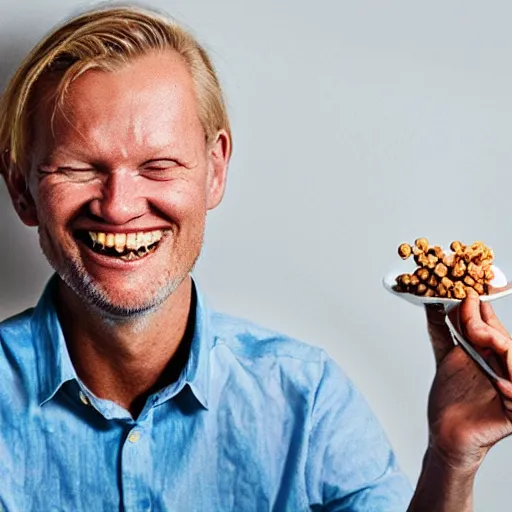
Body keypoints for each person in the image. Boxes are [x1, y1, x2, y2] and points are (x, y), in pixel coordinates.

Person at [0, 4, 510, 511]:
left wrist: (450, 461)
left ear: (214, 170)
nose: (119, 206)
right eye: (78, 168)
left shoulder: (306, 398)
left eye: (158, 166)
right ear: (21, 188)